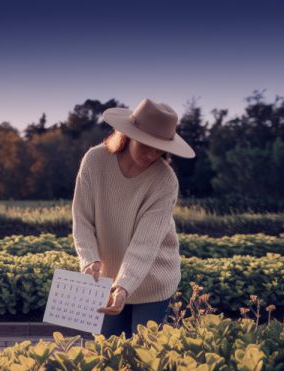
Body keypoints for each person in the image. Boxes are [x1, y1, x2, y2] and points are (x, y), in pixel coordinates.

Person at [71, 98, 196, 338]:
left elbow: (145, 244)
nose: (152, 153)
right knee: (109, 355)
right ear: (128, 135)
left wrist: (124, 286)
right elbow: (82, 219)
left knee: (145, 360)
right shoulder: (95, 161)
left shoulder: (165, 181)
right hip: (107, 280)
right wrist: (89, 260)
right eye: (146, 144)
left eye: (160, 147)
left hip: (153, 282)